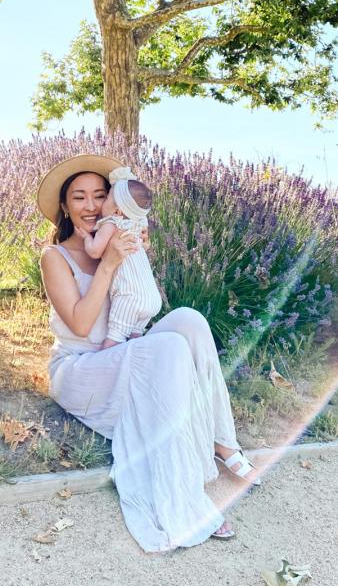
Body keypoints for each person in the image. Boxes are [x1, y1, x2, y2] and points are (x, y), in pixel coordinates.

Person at [37, 153, 262, 553]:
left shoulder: (118, 236)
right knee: (169, 346)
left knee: (189, 320)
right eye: (79, 198)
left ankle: (222, 442)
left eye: (99, 195)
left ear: (115, 201)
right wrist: (107, 264)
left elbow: (134, 304)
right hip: (80, 370)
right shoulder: (55, 257)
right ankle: (184, 501)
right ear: (65, 207)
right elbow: (82, 326)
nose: (90, 206)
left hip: (120, 353)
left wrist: (133, 255)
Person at [75, 166, 162, 349]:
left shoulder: (111, 224)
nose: (101, 204)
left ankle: (103, 364)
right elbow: (143, 246)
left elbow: (95, 252)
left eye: (105, 197)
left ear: (117, 212)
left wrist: (86, 238)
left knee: (115, 339)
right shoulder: (138, 224)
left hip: (130, 297)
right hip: (153, 299)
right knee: (135, 338)